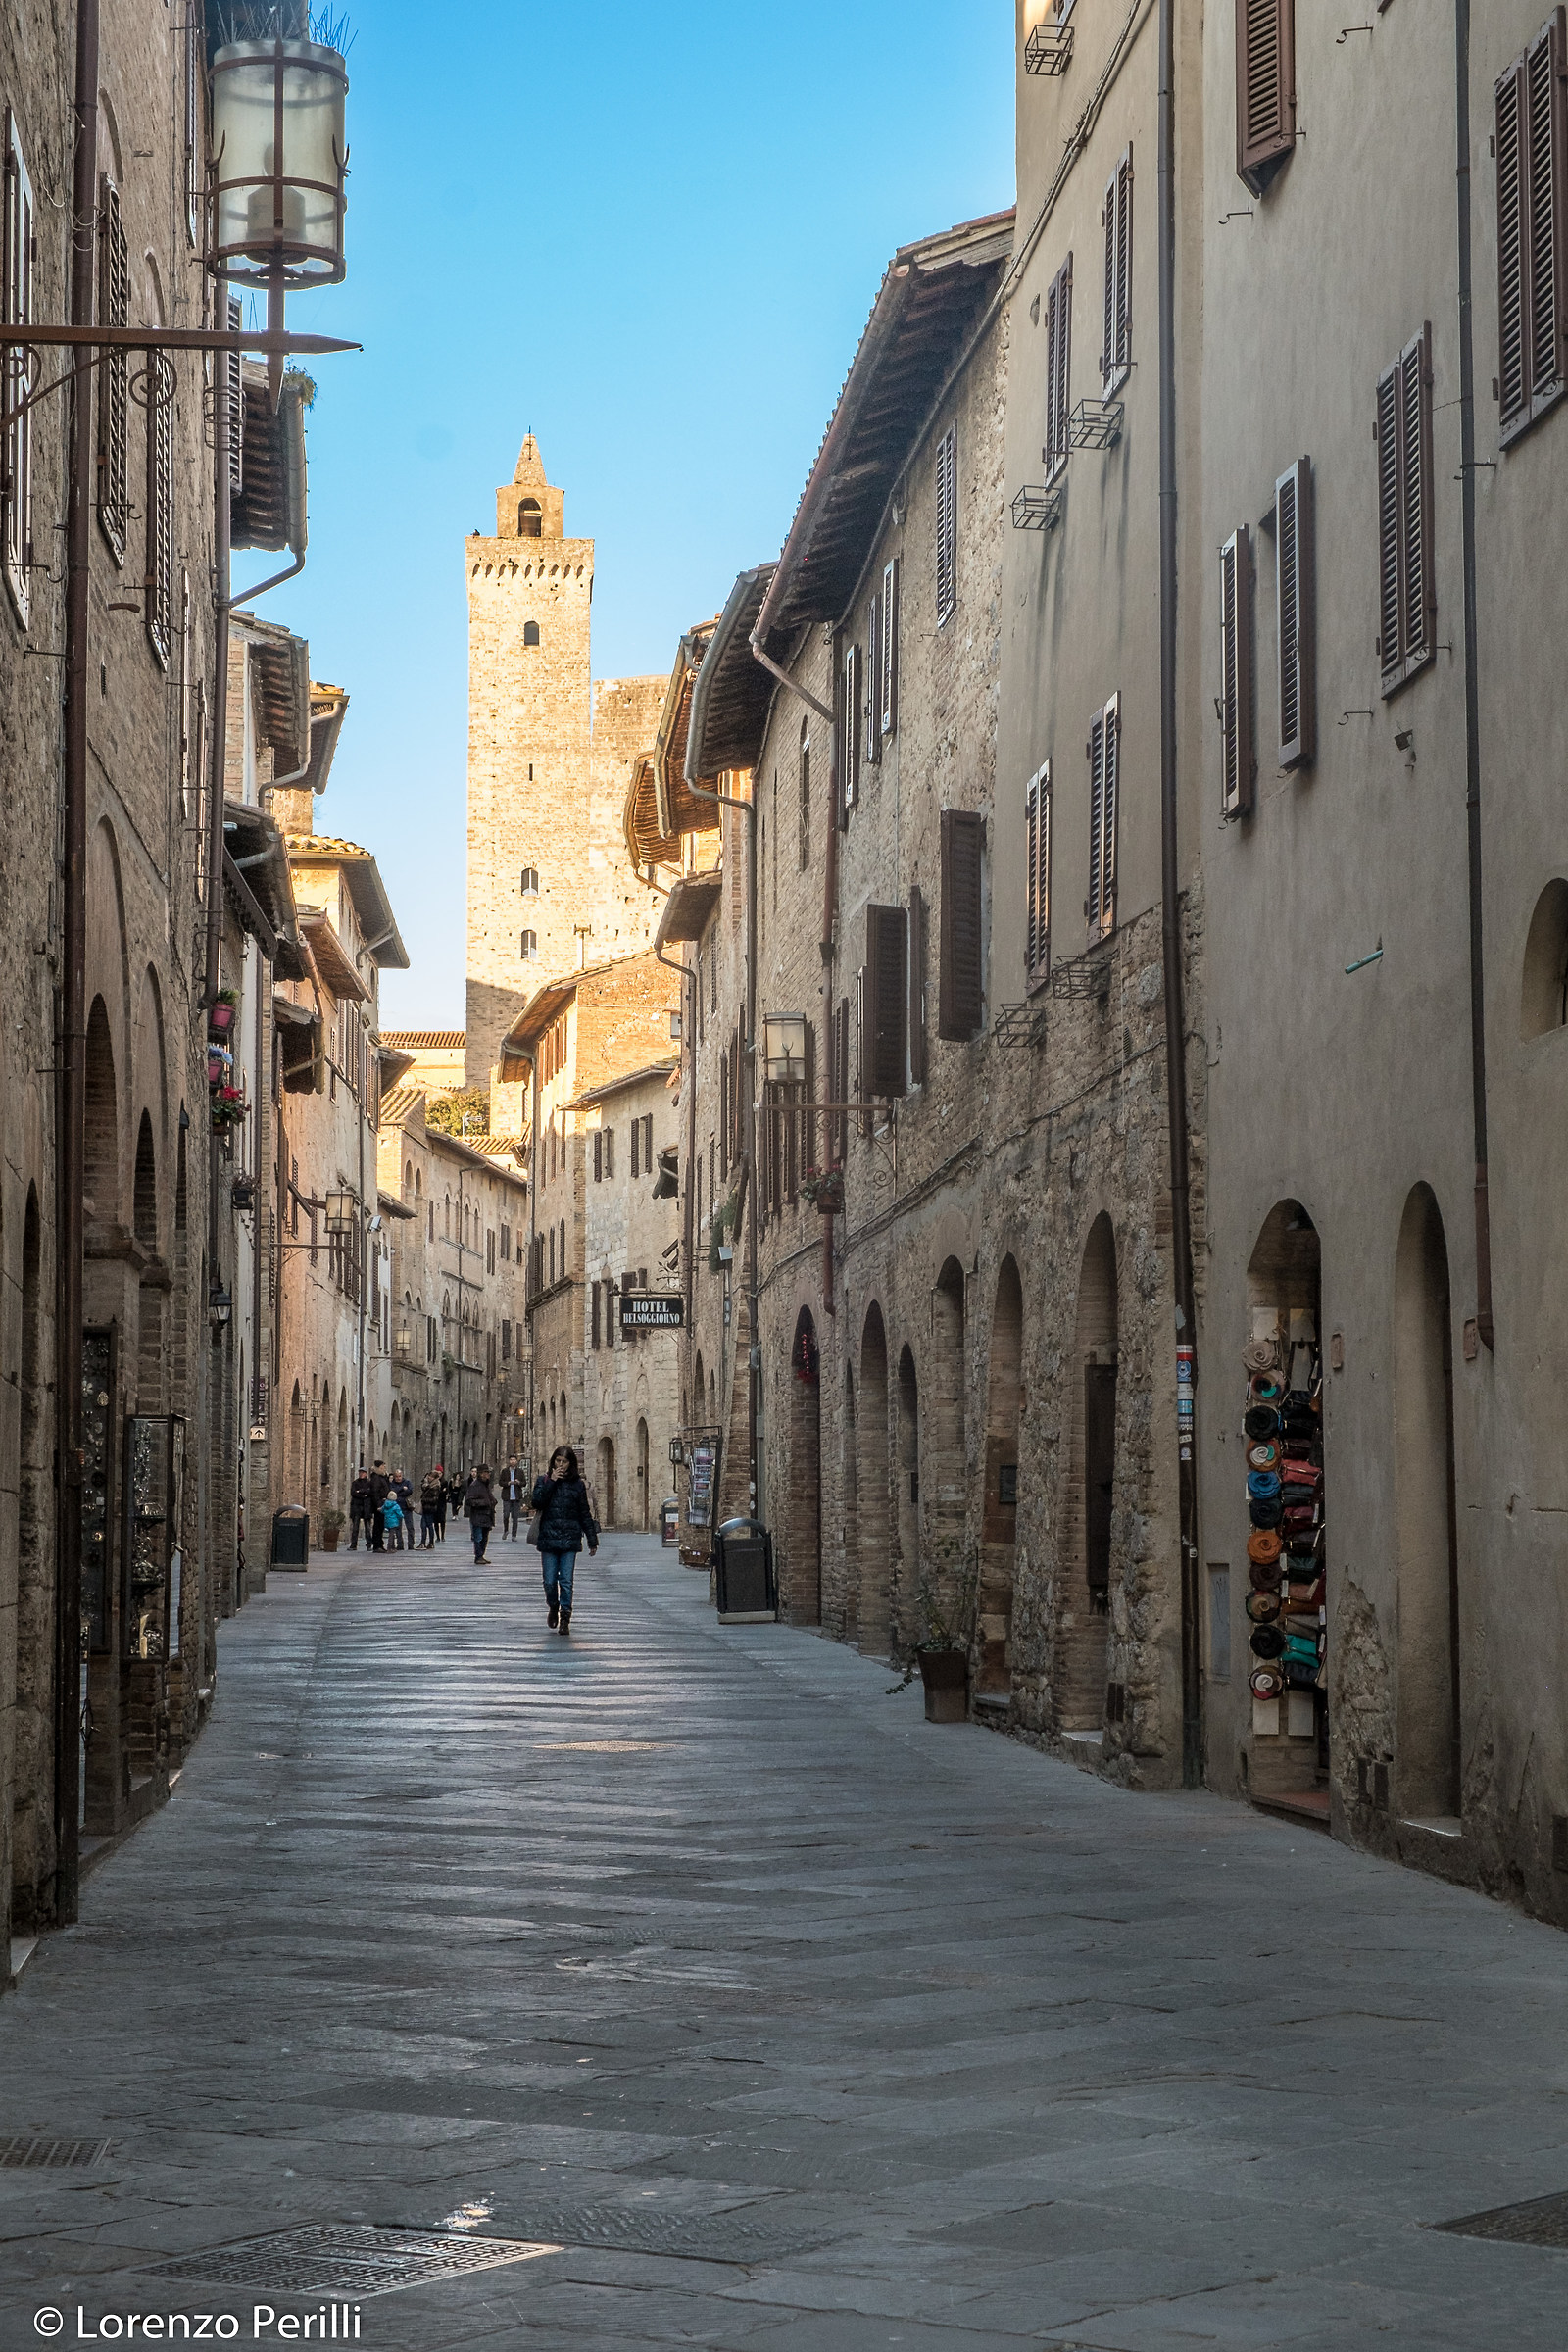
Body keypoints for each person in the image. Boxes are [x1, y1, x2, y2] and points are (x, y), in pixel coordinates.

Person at [531, 1446, 598, 1635]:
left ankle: (565, 1616)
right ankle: (553, 1605)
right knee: (549, 1581)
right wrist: (551, 1482)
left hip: (570, 1537)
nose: (560, 1465)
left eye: (564, 1462)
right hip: (549, 1537)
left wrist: (592, 1539)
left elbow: (584, 1512)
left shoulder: (577, 1485)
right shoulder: (543, 1480)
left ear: (571, 1464)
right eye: (557, 1461)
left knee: (566, 1581)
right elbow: (537, 1502)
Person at [465, 1464, 497, 1562]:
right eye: (486, 1473)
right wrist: (483, 1503)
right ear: (481, 1474)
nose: (488, 1475)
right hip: (478, 1515)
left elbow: (489, 1497)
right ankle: (478, 1556)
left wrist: (492, 1501)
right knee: (478, 1537)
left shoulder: (486, 1485)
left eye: (488, 1473)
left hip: (487, 1515)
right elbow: (469, 1501)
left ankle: (481, 1555)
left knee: (484, 1537)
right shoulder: (475, 1485)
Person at [348, 1464, 375, 1550]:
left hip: (367, 1507)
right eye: (360, 1472)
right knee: (355, 1527)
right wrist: (364, 1495)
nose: (361, 1474)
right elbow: (353, 1493)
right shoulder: (355, 1483)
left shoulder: (369, 1483)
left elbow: (371, 1492)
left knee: (368, 1527)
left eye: (363, 1472)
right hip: (357, 1507)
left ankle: (369, 1544)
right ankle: (353, 1545)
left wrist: (360, 1491)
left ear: (366, 1473)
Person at [368, 1459, 391, 1554]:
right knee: (378, 1525)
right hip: (379, 1505)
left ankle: (380, 1544)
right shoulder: (376, 1478)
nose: (384, 1468)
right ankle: (377, 1545)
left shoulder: (382, 1477)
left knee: (381, 1525)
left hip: (383, 1503)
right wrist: (379, 1505)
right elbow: (375, 1492)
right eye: (382, 1466)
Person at [501, 1458, 524, 1542]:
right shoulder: (504, 1471)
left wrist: (519, 1482)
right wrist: (507, 1483)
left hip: (516, 1497)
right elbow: (500, 1482)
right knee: (506, 1515)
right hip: (507, 1497)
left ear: (516, 1461)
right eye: (511, 1460)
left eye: (514, 1460)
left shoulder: (520, 1471)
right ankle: (506, 1530)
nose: (512, 1461)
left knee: (515, 1517)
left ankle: (514, 1535)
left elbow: (524, 1483)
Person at [418, 1466, 442, 1549]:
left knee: (429, 1525)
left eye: (431, 1477)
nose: (429, 1478)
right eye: (429, 1476)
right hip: (425, 1508)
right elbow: (423, 1487)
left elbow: (435, 1499)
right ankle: (423, 1542)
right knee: (423, 1526)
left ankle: (430, 1542)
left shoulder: (435, 1486)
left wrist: (424, 1500)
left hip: (430, 1508)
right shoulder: (428, 1485)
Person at [382, 1486, 406, 1552]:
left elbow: (382, 1510)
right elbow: (399, 1513)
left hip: (387, 1521)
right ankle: (390, 1547)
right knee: (392, 1535)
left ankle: (392, 1547)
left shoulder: (385, 1504)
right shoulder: (396, 1506)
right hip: (394, 1522)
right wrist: (402, 1516)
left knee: (390, 1534)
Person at [432, 1463, 449, 1544]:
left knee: (442, 1520)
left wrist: (442, 1492)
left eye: (440, 1473)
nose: (439, 1474)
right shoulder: (433, 1481)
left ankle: (442, 1536)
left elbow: (445, 1492)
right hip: (435, 1503)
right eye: (437, 1473)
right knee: (435, 1521)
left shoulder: (444, 1482)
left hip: (442, 1503)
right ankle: (438, 1536)